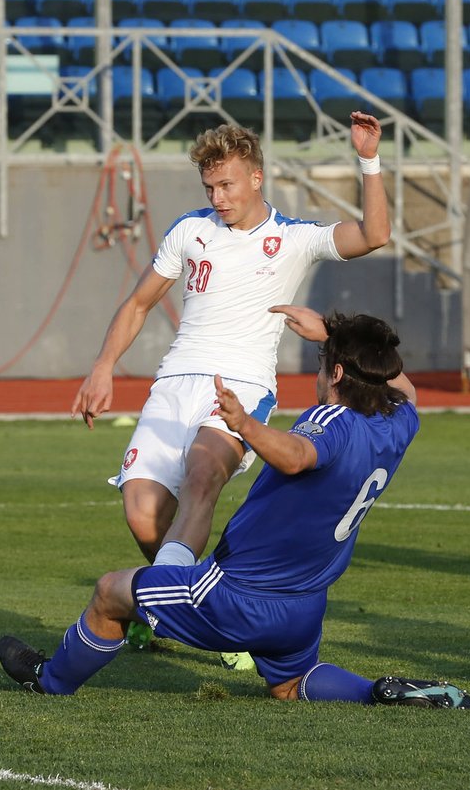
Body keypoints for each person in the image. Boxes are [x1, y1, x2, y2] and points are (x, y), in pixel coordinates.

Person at [0, 306, 470, 710]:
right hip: (304, 605)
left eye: (322, 362)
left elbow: (298, 456)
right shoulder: (400, 421)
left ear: (335, 375)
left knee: (108, 593)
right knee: (291, 683)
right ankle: (378, 693)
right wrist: (338, 336)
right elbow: (403, 387)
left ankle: (49, 680)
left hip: (237, 597)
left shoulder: (331, 418)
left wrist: (244, 422)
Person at [70, 114, 391, 667]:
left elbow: (374, 234)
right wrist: (102, 366)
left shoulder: (293, 239)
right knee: (143, 515)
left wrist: (368, 159)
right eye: (210, 188)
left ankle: (158, 607)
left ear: (257, 178)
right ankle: (214, 609)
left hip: (242, 387)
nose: (218, 198)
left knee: (202, 475)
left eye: (227, 185)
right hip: (174, 383)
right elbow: (139, 304)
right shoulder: (187, 232)